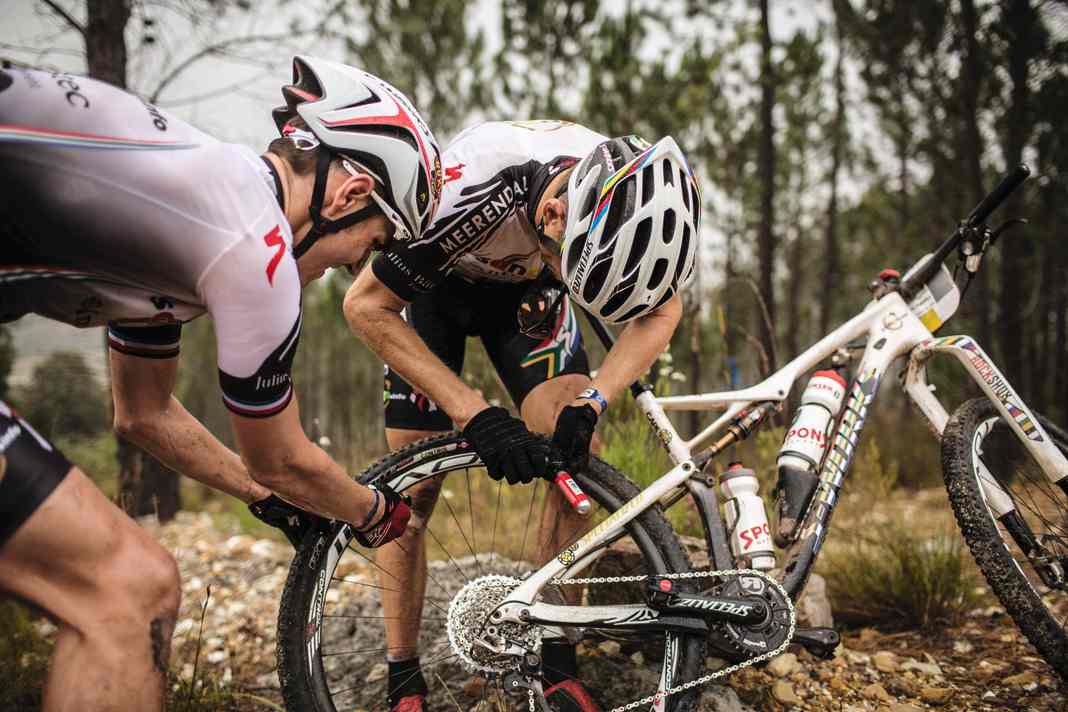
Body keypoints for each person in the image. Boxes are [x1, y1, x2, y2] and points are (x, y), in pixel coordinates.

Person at [0, 55, 440, 709]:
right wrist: (377, 514)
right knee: (127, 590)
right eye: (371, 244)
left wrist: (261, 496)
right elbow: (283, 456)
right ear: (349, 196)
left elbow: (142, 412)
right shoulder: (254, 245)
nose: (357, 267)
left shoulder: (196, 209)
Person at [343, 120, 700, 712]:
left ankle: (556, 650)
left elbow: (663, 313)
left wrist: (595, 401)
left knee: (572, 458)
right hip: (436, 292)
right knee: (416, 490)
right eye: (572, 263)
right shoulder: (464, 195)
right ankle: (402, 671)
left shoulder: (625, 198)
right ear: (557, 217)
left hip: (527, 304)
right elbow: (365, 306)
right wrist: (474, 413)